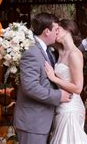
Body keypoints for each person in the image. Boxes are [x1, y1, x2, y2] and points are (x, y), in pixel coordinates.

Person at [13, 13, 72, 144]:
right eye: (56, 30)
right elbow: (30, 87)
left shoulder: (47, 51)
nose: (58, 33)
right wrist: (58, 96)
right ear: (47, 31)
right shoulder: (32, 53)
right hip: (33, 123)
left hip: (41, 121)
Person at [44, 19, 87, 144]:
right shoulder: (61, 51)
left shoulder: (74, 54)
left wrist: (54, 78)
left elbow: (78, 87)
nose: (56, 32)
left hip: (70, 107)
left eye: (58, 29)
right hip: (61, 104)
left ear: (68, 30)